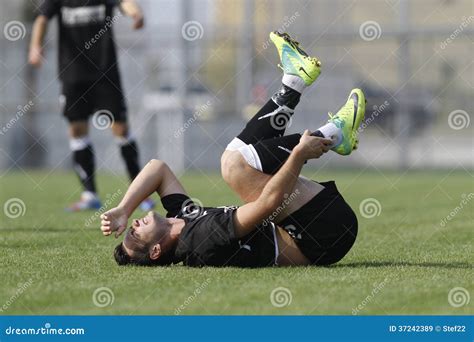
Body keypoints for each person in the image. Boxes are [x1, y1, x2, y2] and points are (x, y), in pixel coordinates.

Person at [99, 31, 366, 267]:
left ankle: (294, 83)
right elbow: (268, 204)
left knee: (234, 160)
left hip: (307, 221)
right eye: (134, 235)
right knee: (234, 167)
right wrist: (298, 155)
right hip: (321, 235)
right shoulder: (199, 241)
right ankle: (332, 133)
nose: (133, 226)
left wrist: (123, 209)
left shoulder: (182, 218)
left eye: (129, 229)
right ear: (156, 250)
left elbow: (157, 168)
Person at [28, 0, 154, 211]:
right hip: (73, 74)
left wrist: (137, 14)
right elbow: (41, 18)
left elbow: (125, 3)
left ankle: (139, 192)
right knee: (76, 130)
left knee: (121, 129)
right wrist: (35, 46)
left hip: (105, 72)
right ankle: (89, 195)